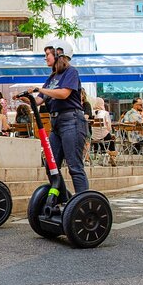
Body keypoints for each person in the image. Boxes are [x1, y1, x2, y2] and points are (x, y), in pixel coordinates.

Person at [19, 39, 89, 193]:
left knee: (74, 166)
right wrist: (26, 99)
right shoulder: (52, 78)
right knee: (51, 166)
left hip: (72, 121)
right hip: (56, 123)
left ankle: (82, 201)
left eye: (47, 54)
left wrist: (40, 89)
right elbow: (38, 101)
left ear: (58, 53)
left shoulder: (71, 72)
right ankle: (63, 198)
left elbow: (64, 94)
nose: (45, 58)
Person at [92, 97, 117, 166]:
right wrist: (110, 132)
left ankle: (104, 153)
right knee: (111, 140)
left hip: (93, 137)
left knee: (101, 140)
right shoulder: (105, 113)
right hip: (104, 135)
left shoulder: (91, 113)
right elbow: (109, 126)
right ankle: (112, 157)